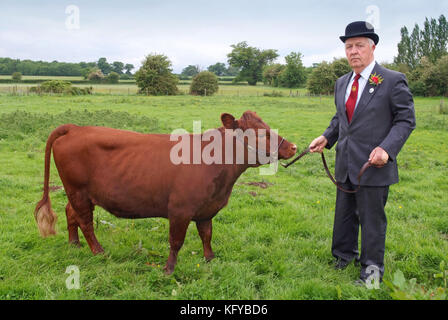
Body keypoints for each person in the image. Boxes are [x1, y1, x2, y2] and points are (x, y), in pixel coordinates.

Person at [309, 21, 416, 285]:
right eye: (348, 47)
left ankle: (371, 272)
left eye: (359, 45)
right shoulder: (342, 82)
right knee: (344, 215)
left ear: (372, 47)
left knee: (371, 221)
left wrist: (387, 149)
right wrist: (326, 136)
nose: (353, 51)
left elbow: (405, 119)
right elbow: (342, 118)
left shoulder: (391, 80)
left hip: (373, 165)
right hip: (345, 162)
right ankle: (343, 256)